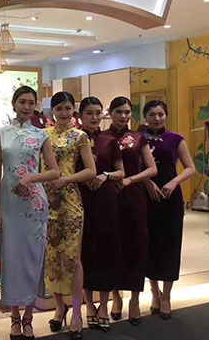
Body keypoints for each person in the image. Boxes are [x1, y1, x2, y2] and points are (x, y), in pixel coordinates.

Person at [0, 86, 60, 340]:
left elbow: (55, 171)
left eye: (31, 103)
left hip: (34, 205)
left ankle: (29, 318)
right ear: (14, 104)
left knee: (33, 260)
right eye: (22, 102)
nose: (27, 107)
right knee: (10, 259)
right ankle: (14, 317)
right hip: (8, 204)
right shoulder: (1, 134)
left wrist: (32, 177)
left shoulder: (41, 135)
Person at [44, 92, 96, 340]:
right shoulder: (43, 135)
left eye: (67, 108)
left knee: (73, 258)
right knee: (52, 258)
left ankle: (76, 312)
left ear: (73, 110)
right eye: (59, 109)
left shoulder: (80, 136)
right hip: (47, 202)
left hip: (71, 202)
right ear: (52, 111)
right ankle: (59, 307)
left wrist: (66, 179)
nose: (64, 113)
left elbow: (90, 170)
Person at [103, 97, 157, 326]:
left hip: (134, 197)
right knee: (112, 247)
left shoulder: (138, 137)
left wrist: (131, 180)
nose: (123, 116)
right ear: (110, 113)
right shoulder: (101, 137)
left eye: (127, 112)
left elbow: (152, 169)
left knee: (136, 246)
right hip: (109, 197)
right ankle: (116, 297)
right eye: (119, 112)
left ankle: (135, 299)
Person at [142, 100, 196, 320]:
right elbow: (133, 168)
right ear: (145, 117)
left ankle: (167, 296)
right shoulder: (138, 139)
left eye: (161, 114)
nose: (157, 118)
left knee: (170, 246)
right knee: (149, 246)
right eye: (152, 115)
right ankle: (154, 292)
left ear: (166, 115)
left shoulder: (176, 139)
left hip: (170, 198)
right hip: (145, 198)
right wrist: (147, 182)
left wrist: (174, 182)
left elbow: (191, 168)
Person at [78, 97, 125, 332]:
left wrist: (105, 175)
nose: (94, 117)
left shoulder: (109, 140)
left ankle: (104, 305)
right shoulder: (74, 139)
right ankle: (88, 305)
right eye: (89, 113)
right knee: (85, 252)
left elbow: (121, 173)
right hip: (80, 200)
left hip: (106, 201)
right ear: (80, 115)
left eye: (98, 113)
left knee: (107, 250)